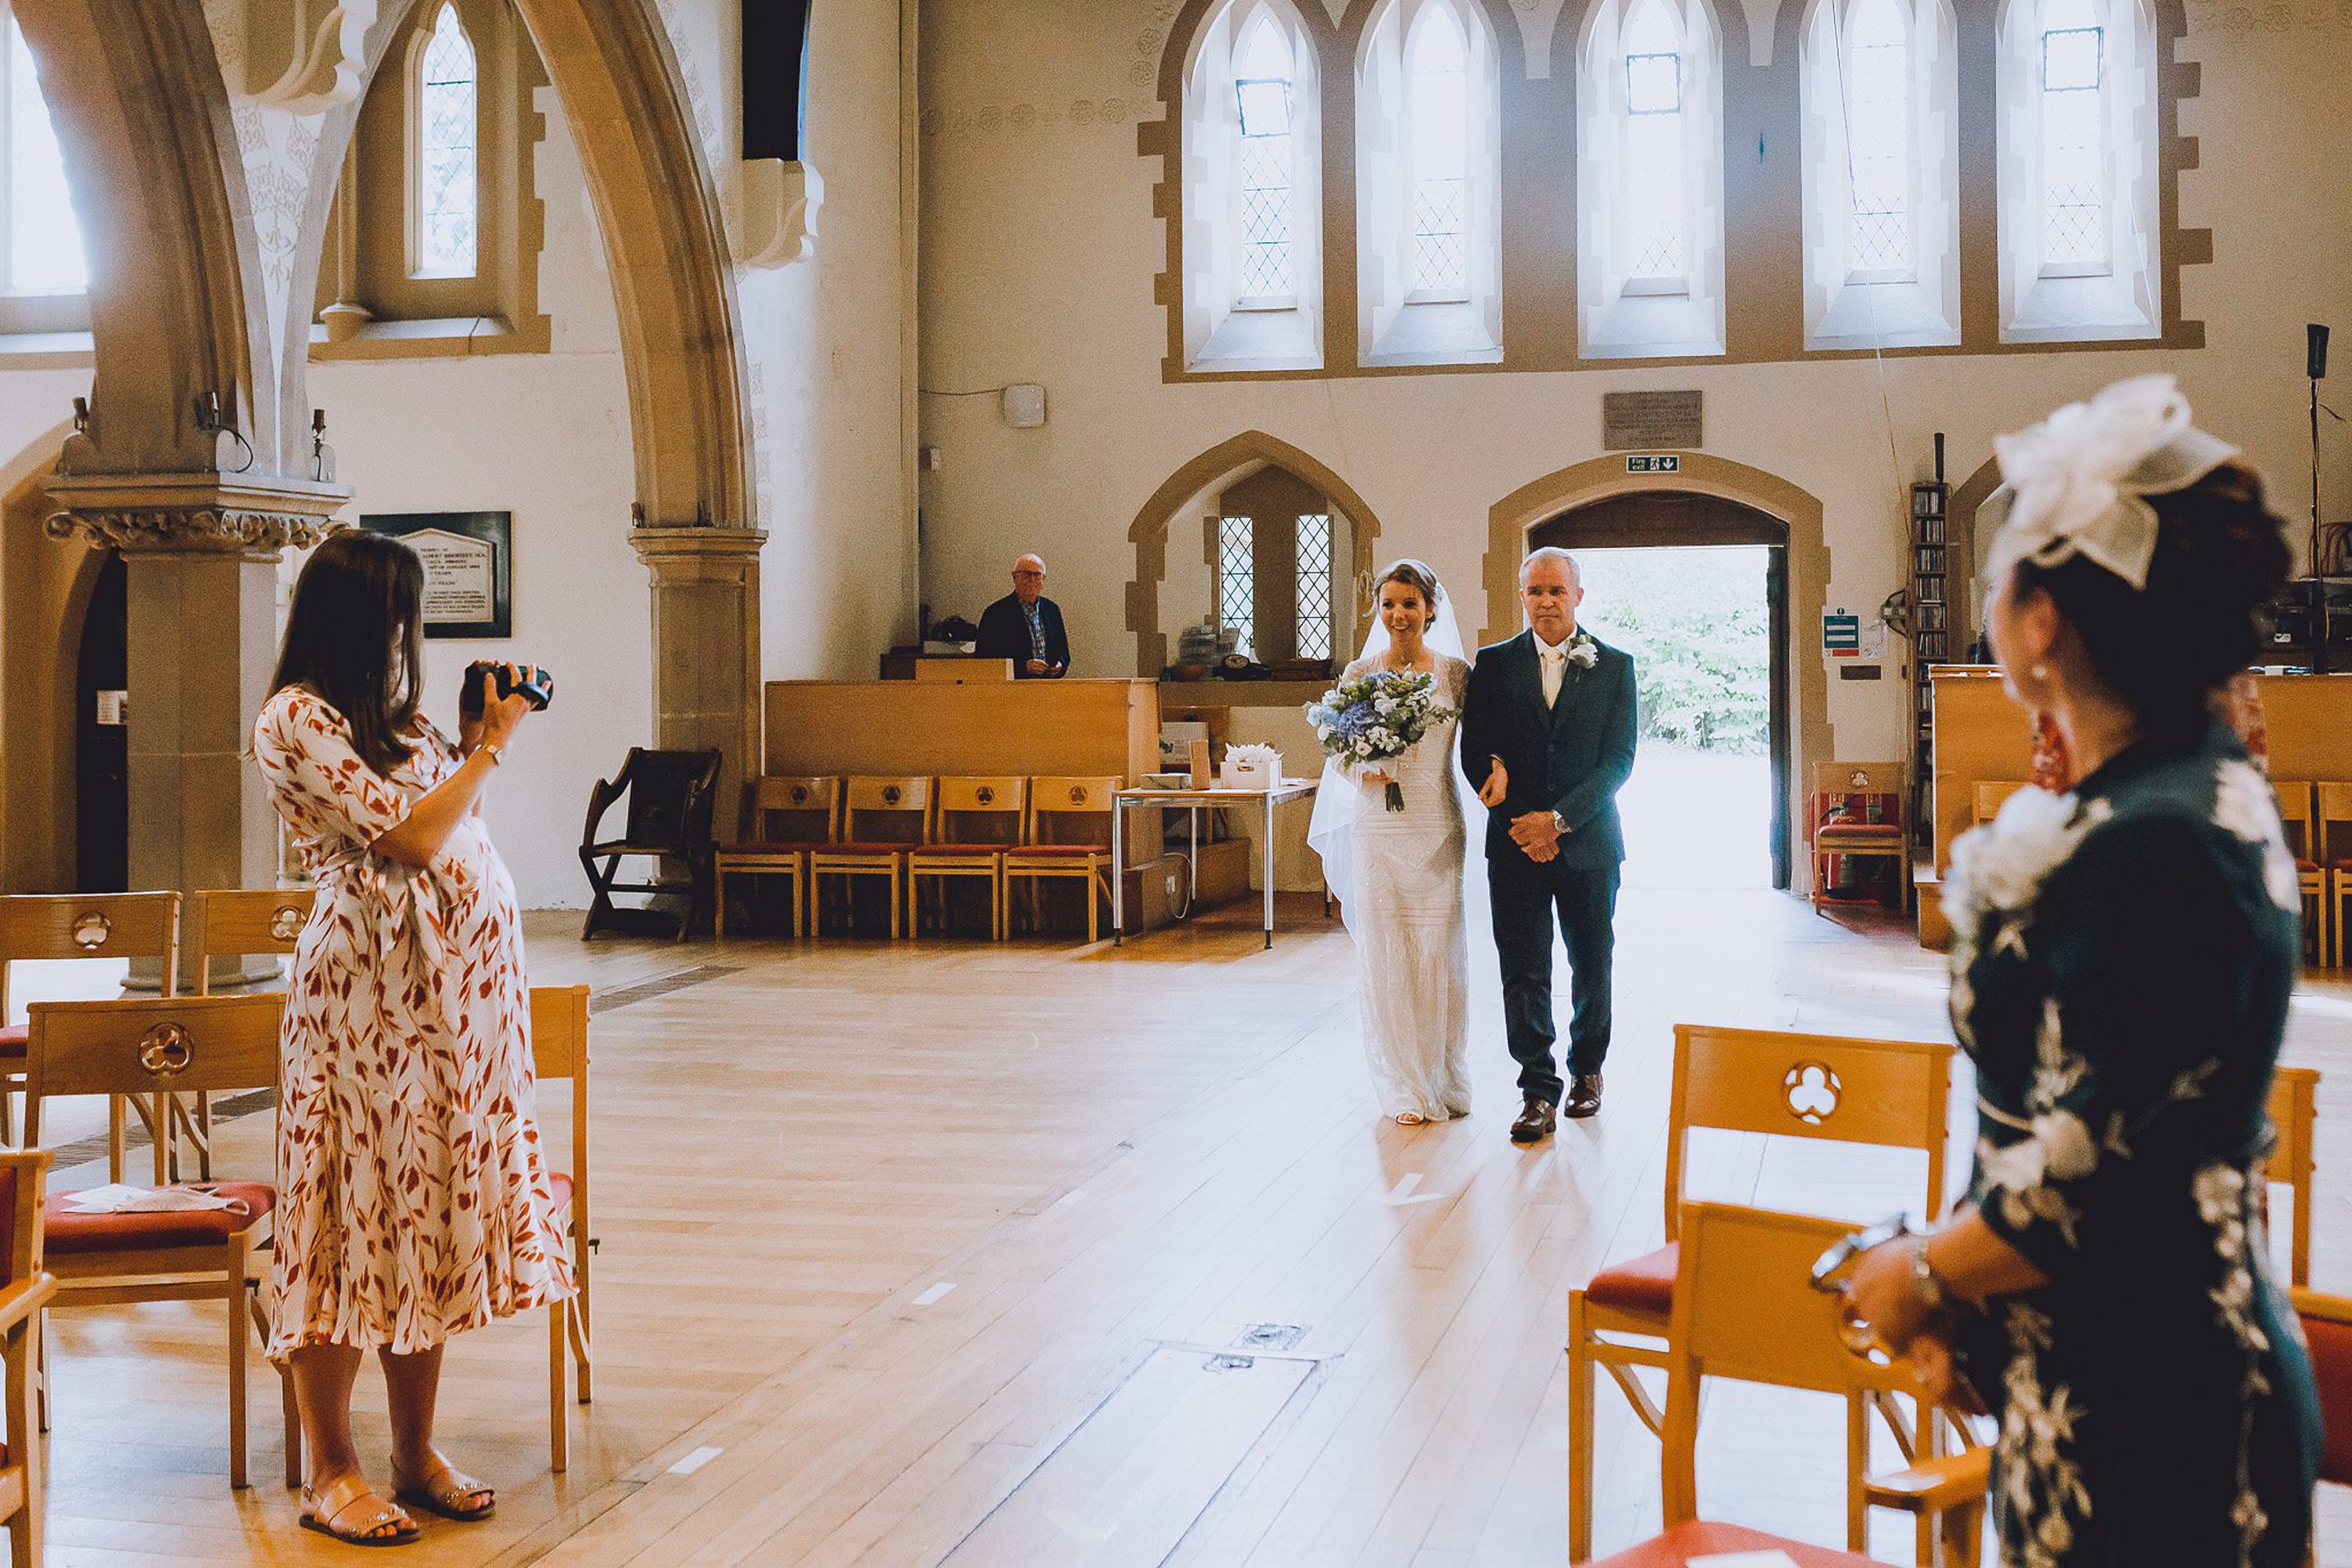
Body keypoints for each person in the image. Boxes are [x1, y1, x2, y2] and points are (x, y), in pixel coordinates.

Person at [1840, 375, 2320, 1567]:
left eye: (2004, 573)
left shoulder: (2161, 836)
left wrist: (1918, 1272)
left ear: (2041, 618)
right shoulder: (2159, 795)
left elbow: (2094, 1173)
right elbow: (2059, 1104)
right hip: (2093, 1365)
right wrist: (1973, 1302)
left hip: (2159, 1403)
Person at [252, 531, 575, 1547]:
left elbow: (448, 817)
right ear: (360, 617)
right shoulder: (296, 718)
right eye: (399, 611)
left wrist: (468, 734)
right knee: (345, 1220)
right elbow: (412, 837)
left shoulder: (397, 722)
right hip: (357, 1010)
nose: (410, 632)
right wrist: (492, 745)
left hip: (439, 1020)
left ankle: (413, 1448)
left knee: (418, 1218)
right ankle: (330, 1468)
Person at [1457, 548, 1638, 1143]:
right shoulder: (1493, 664)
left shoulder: (1614, 666)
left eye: (1557, 590)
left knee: (1592, 963)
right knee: (1524, 969)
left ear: (1579, 595)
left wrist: (1556, 822)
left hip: (1589, 846)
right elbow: (1475, 751)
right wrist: (1520, 822)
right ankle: (1537, 1089)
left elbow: (1618, 761)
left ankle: (1588, 1071)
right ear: (1523, 597)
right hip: (1514, 847)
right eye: (1535, 591)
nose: (1546, 601)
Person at [1306, 561, 1473, 1125]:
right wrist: (1364, 768)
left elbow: (1481, 745)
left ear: (1431, 608)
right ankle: (1404, 1085)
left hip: (1437, 824)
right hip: (1379, 824)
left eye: (1410, 604)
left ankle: (1442, 1075)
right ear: (1378, 610)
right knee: (1387, 952)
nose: (1399, 615)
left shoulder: (1456, 673)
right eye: (1389, 605)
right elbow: (1338, 750)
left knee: (1436, 951)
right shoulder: (1361, 669)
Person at [975, 554, 1070, 677]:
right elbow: (984, 659)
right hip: (1013, 690)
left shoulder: (1052, 610)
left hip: (1049, 688)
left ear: (1043, 579)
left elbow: (1064, 651)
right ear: (1015, 577)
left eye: (1037, 575)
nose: (1032, 580)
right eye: (1026, 575)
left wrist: (1060, 665)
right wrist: (1022, 667)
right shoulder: (995, 614)